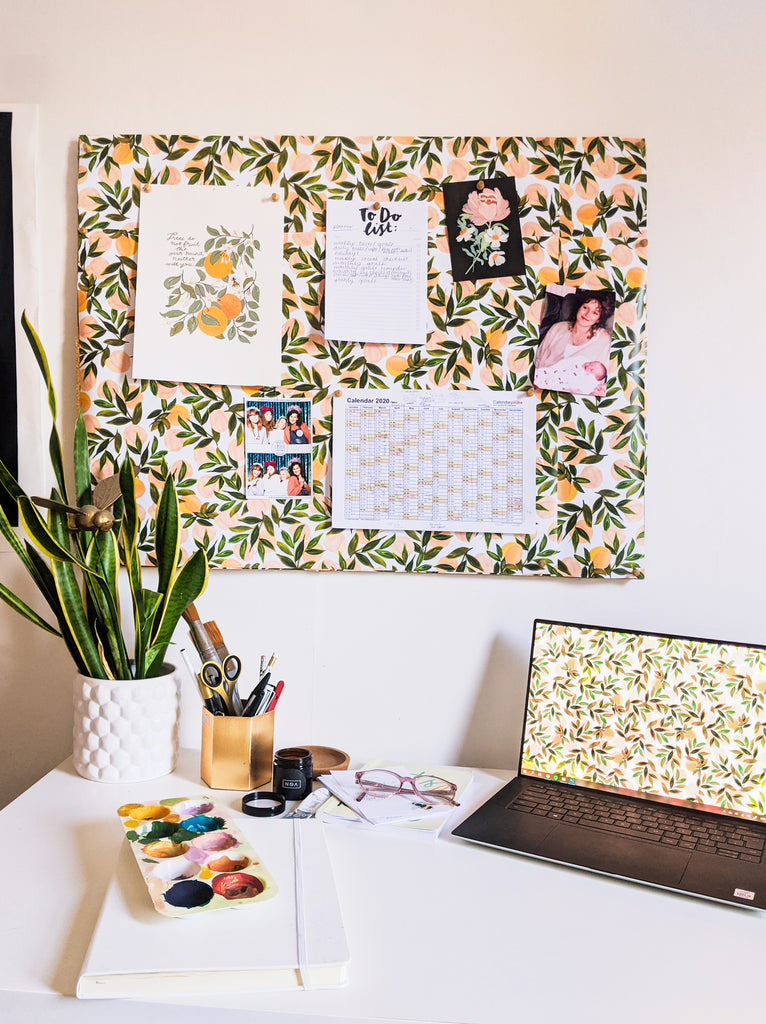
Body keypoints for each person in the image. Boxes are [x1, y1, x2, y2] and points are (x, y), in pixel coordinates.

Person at [534, 291, 613, 390]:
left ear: (598, 319)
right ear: (579, 307)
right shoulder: (557, 328)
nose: (587, 314)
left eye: (594, 313)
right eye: (585, 307)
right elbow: (537, 358)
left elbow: (600, 377)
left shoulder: (603, 339)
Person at [534, 359, 607, 397]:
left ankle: (541, 386)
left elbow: (581, 390)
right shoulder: (579, 363)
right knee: (542, 373)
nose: (589, 366)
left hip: (563, 383)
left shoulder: (587, 381)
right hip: (557, 373)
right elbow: (563, 365)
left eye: (591, 370)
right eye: (591, 363)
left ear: (593, 378)